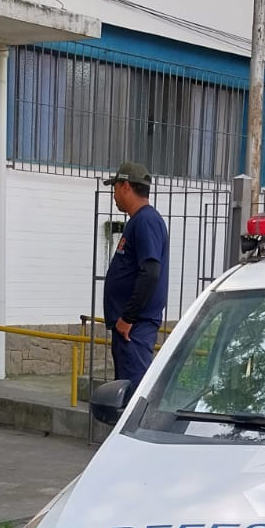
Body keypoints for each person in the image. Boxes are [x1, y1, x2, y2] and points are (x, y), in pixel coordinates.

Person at [102, 161, 169, 388]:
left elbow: (150, 272)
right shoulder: (139, 221)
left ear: (126, 187)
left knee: (133, 394)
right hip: (130, 328)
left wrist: (128, 318)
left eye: (115, 188)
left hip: (134, 328)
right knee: (123, 392)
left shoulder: (146, 221)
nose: (114, 195)